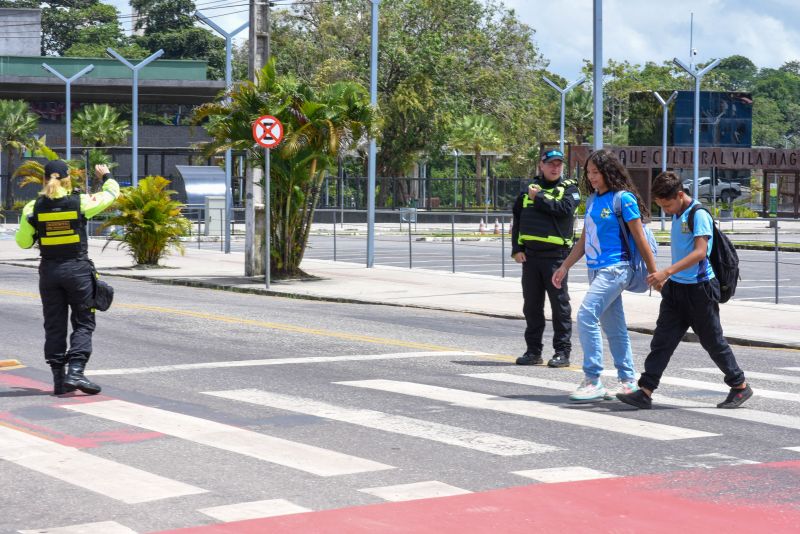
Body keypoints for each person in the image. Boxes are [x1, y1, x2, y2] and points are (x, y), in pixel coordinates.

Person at [616, 171, 753, 410]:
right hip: (677, 290)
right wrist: (668, 279)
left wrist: (665, 272)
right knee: (662, 340)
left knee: (713, 342)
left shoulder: (698, 214)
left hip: (700, 290)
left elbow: (701, 252)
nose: (666, 210)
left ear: (680, 195)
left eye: (667, 204)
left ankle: (740, 385)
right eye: (661, 206)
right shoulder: (678, 214)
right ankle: (645, 391)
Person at [552, 149, 658, 402]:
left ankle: (592, 379)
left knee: (586, 315)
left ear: (609, 172)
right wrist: (565, 266)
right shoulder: (592, 202)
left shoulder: (623, 200)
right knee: (614, 326)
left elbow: (640, 238)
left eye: (596, 173)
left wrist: (655, 273)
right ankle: (628, 381)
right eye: (588, 173)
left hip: (616, 268)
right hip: (596, 269)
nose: (592, 178)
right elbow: (585, 239)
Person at [15, 161, 120, 395]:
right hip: (77, 271)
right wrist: (106, 176)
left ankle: (59, 381)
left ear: (44, 180)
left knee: (54, 325)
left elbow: (23, 242)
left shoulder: (33, 208)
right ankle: (76, 371)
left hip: (49, 273)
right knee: (83, 321)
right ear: (67, 180)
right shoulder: (80, 202)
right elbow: (112, 193)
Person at [511, 149, 579, 368]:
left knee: (559, 307)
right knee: (531, 307)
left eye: (558, 164)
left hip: (556, 258)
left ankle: (562, 352)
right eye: (550, 164)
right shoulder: (527, 190)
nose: (555, 168)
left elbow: (564, 209)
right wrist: (516, 248)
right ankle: (533, 351)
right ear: (541, 165)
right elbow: (518, 220)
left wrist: (538, 197)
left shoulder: (569, 188)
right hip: (530, 258)